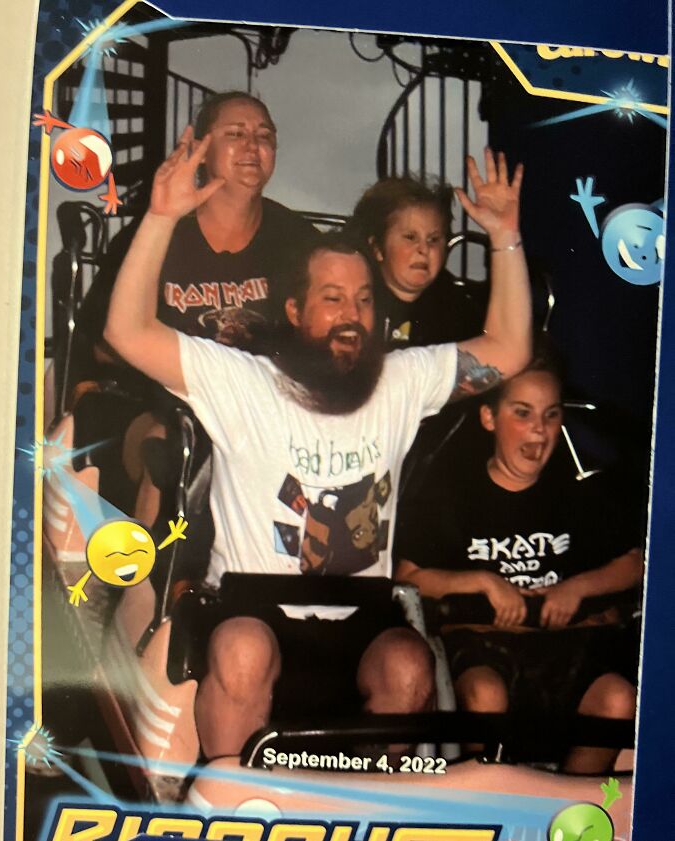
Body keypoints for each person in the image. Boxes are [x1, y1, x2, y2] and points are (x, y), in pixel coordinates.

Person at [103, 133, 531, 759]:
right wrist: (163, 216)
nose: (352, 314)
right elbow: (127, 330)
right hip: (255, 615)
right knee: (242, 651)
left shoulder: (400, 380)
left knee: (409, 664)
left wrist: (504, 237)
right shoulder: (241, 380)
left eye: (362, 299)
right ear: (297, 312)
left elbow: (511, 350)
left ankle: (371, 815)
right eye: (332, 300)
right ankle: (235, 811)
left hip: (361, 621)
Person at [70, 90, 317, 523]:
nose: (252, 146)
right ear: (201, 151)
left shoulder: (299, 240)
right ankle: (147, 585)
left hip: (260, 410)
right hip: (157, 406)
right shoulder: (157, 233)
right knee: (176, 443)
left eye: (264, 136)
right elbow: (98, 342)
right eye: (235, 133)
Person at [394, 358, 643, 773]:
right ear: (489, 418)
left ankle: (566, 815)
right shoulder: (452, 498)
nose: (539, 430)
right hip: (487, 648)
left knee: (618, 699)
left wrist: (576, 587)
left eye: (551, 415)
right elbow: (409, 578)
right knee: (484, 695)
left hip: (569, 650)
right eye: (522, 413)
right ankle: (498, 806)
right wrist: (484, 582)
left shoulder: (576, 494)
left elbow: (632, 564)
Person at [349, 177, 486, 348]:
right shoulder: (358, 303)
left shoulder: (455, 306)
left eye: (434, 239)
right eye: (410, 237)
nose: (424, 249)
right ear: (377, 248)